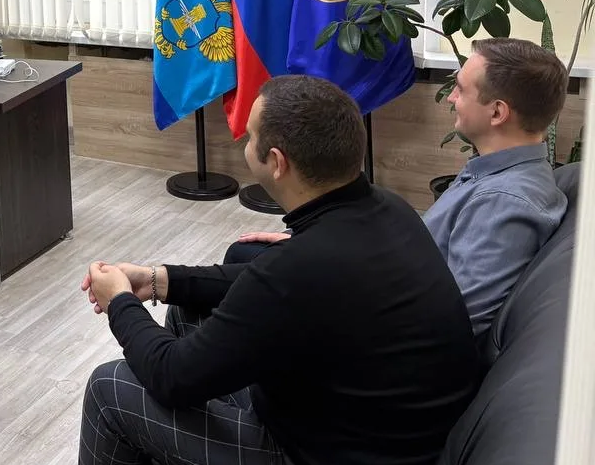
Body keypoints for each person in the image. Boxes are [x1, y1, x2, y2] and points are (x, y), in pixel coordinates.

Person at [78, 75, 479, 465]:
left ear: (276, 161)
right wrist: (159, 280)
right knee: (188, 311)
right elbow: (268, 284)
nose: (243, 142)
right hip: (364, 430)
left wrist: (120, 302)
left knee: (110, 388)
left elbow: (171, 376)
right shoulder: (387, 208)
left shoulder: (300, 266)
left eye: (249, 136)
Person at [228, 38, 568, 340]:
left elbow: (452, 321)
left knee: (250, 270)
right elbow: (417, 253)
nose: (451, 98)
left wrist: (330, 276)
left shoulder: (505, 202)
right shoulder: (496, 173)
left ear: (497, 112)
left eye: (461, 90)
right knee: (249, 255)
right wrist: (321, 243)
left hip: (383, 329)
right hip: (388, 284)